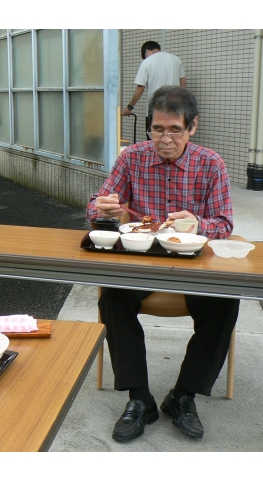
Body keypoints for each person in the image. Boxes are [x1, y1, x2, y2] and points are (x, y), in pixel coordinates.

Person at [87, 86, 239, 442]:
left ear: (192, 127)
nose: (165, 139)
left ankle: (183, 396)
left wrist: (197, 224)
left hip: (193, 264)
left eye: (175, 130)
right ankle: (140, 398)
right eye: (157, 129)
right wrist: (103, 209)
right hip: (142, 260)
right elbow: (96, 204)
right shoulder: (132, 158)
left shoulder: (210, 163)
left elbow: (224, 224)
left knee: (225, 301)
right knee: (113, 295)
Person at [122, 41, 186, 136]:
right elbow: (183, 83)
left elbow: (140, 88)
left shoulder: (147, 62)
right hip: (175, 108)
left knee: (155, 139)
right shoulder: (176, 59)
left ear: (146, 51)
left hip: (156, 109)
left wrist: (129, 107)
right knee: (173, 137)